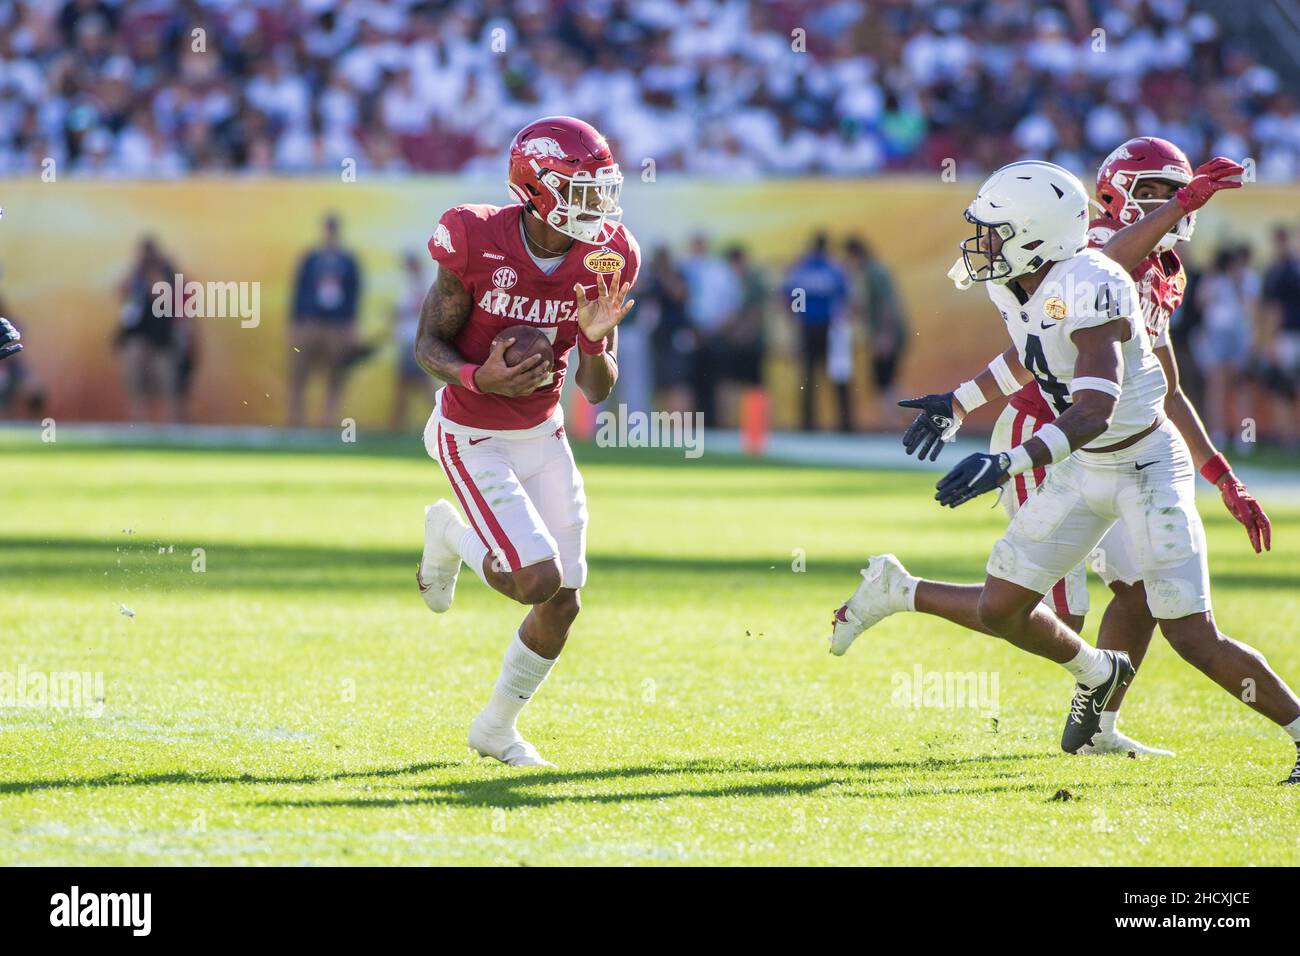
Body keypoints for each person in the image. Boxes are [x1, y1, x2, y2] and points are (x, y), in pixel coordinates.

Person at [829, 159, 1300, 784]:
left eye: (995, 230)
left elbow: (1094, 410)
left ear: (1033, 234)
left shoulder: (1093, 281)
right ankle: (1099, 684)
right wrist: (956, 402)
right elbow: (1032, 353)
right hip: (1086, 465)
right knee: (1003, 608)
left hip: (1145, 462)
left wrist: (1006, 461)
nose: (983, 242)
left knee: (1191, 633)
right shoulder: (1023, 282)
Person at [413, 116, 639, 768]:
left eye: (602, 189)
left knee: (564, 600)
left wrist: (593, 337)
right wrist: (474, 375)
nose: (597, 205)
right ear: (534, 187)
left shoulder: (610, 254)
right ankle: (453, 534)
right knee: (535, 577)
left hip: (544, 433)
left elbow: (597, 389)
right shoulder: (474, 236)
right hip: (472, 433)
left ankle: (494, 729)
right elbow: (427, 343)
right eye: (581, 189)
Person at [288, 214, 363, 427]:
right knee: (299, 373)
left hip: (336, 325)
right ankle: (295, 420)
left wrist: (351, 328)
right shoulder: (311, 259)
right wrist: (294, 324)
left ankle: (327, 421)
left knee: (335, 375)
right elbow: (299, 291)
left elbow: (354, 295)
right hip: (311, 322)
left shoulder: (348, 261)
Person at [1193, 245, 1258, 449]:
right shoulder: (1213, 279)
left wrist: (1236, 282)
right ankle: (1217, 433)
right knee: (1216, 386)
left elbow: (1250, 308)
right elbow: (1200, 302)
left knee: (1242, 387)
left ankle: (1247, 437)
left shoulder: (1247, 279)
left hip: (1238, 335)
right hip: (1216, 334)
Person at [785, 232, 850, 431]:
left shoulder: (801, 269)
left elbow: (792, 296)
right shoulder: (834, 268)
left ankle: (807, 423)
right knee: (837, 376)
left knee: (808, 375)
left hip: (807, 326)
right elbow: (843, 298)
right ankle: (844, 423)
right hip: (830, 327)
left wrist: (797, 318)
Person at [115, 237, 184, 422]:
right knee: (133, 361)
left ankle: (172, 421)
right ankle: (138, 419)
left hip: (163, 342)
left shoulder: (168, 276)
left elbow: (173, 314)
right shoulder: (136, 278)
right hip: (141, 341)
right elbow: (128, 314)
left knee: (167, 378)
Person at [845, 237, 909, 428]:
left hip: (887, 335)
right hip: (887, 333)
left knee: (884, 382)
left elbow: (886, 305)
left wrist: (885, 336)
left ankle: (905, 416)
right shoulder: (872, 271)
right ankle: (894, 420)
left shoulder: (873, 273)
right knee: (885, 382)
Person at [680, 234, 742, 424]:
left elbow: (733, 304)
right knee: (690, 382)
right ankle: (693, 424)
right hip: (691, 332)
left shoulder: (720, 270)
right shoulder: (684, 267)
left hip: (717, 332)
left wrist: (715, 329)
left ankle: (719, 424)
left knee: (719, 381)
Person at [1261, 227, 1300, 447]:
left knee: (1285, 389)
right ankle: (1289, 437)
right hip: (1287, 335)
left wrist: (1269, 340)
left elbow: (1274, 310)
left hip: (1287, 336)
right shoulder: (1283, 270)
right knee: (1285, 389)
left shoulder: (1282, 271)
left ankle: (1290, 438)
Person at [390, 251, 434, 430]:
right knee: (406, 387)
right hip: (410, 340)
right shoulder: (409, 284)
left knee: (413, 387)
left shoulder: (421, 283)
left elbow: (420, 306)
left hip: (415, 341)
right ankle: (396, 427)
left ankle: (395, 428)